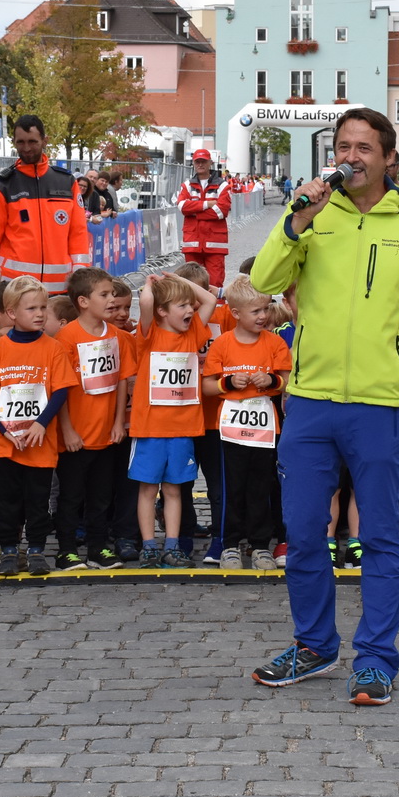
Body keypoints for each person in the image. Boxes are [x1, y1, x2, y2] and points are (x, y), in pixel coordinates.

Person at [250, 107, 399, 707]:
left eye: (364, 147)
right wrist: (296, 220)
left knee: (379, 536)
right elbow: (265, 281)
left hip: (380, 404)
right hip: (311, 401)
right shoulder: (313, 217)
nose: (351, 156)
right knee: (301, 531)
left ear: (388, 158)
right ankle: (314, 644)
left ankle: (375, 659)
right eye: (343, 146)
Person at [0, 277, 77, 577]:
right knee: (6, 501)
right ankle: (8, 549)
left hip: (39, 442)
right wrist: (4, 430)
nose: (40, 314)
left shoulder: (53, 348)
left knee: (38, 500)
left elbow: (60, 390)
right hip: (5, 442)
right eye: (31, 308)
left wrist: (41, 423)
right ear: (11, 313)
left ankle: (36, 549)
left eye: (43, 308)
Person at [202, 275, 292, 570]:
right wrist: (228, 382)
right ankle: (229, 544)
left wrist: (272, 380)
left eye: (266, 309)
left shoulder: (275, 343)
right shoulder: (223, 344)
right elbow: (207, 386)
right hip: (230, 431)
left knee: (261, 487)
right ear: (236, 313)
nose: (264, 316)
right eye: (256, 311)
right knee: (232, 487)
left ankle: (259, 545)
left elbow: (287, 382)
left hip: (265, 430)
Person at [128, 273, 218, 568]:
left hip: (182, 428)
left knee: (174, 489)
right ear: (162, 311)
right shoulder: (149, 333)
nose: (191, 311)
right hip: (151, 427)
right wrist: (152, 284)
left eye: (190, 306)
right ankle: (149, 545)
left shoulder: (193, 333)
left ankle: (172, 545)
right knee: (147, 488)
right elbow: (144, 302)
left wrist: (176, 279)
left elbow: (210, 299)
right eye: (181, 306)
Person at [55, 267, 134, 571]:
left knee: (101, 496)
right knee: (72, 497)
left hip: (105, 434)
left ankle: (97, 548)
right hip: (75, 435)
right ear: (84, 301)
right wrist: (67, 430)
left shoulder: (117, 336)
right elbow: (60, 387)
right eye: (105, 294)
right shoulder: (66, 338)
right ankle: (66, 550)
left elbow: (121, 382)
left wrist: (117, 423)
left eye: (112, 293)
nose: (111, 299)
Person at [0, 115, 92, 295]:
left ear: (45, 141)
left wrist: (80, 273)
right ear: (14, 142)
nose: (27, 148)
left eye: (32, 141)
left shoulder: (67, 182)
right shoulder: (2, 187)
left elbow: (78, 232)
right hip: (14, 289)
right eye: (20, 142)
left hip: (60, 289)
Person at [175, 149, 232, 288]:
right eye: (197, 161)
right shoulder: (187, 185)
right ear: (193, 163)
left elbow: (221, 212)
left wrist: (195, 212)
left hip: (215, 243)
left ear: (210, 163)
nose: (200, 164)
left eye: (203, 161)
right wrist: (207, 204)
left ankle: (215, 310)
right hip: (193, 243)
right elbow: (182, 207)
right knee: (191, 285)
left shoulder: (222, 185)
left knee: (215, 283)